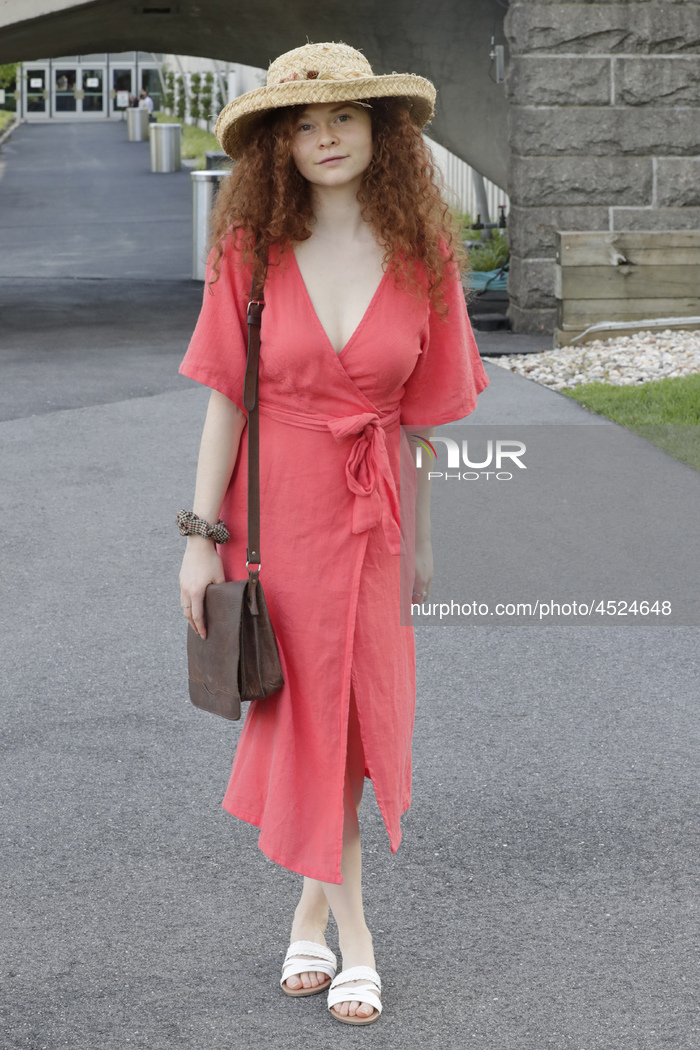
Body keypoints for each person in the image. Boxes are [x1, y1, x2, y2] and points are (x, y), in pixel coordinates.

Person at [177, 41, 489, 1026]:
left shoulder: (422, 252)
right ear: (279, 143)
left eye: (343, 119)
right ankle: (357, 941)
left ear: (378, 132)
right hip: (281, 523)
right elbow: (227, 400)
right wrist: (198, 535)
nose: (324, 138)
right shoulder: (250, 252)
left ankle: (307, 919)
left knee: (354, 729)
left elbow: (423, 419)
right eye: (304, 124)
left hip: (378, 518)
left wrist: (425, 541)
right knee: (318, 723)